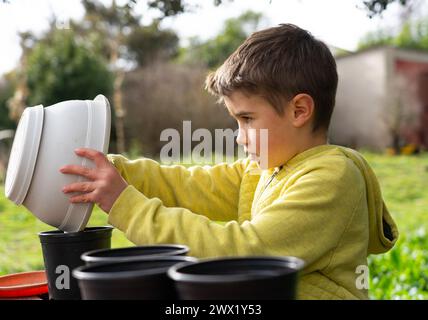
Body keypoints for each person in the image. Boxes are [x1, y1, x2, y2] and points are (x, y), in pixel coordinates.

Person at [60, 24, 398, 299]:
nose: (239, 136)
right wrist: (118, 171)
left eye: (248, 118)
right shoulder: (265, 168)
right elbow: (189, 186)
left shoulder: (331, 178)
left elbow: (243, 255)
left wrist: (125, 204)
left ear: (299, 111)